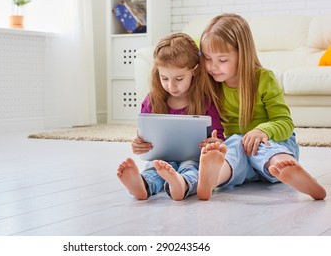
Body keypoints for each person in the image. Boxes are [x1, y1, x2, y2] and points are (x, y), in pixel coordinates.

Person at [196, 13, 327, 201]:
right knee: (230, 148)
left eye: (222, 60)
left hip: (274, 144)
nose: (213, 66)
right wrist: (212, 142)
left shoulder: (264, 79)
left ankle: (287, 168)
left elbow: (285, 123)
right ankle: (212, 179)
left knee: (261, 148)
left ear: (243, 54)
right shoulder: (211, 84)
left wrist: (262, 131)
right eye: (207, 58)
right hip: (241, 152)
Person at [117, 33, 224, 201]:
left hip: (193, 158)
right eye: (164, 78)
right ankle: (142, 185)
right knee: (154, 168)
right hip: (161, 158)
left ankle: (180, 184)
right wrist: (139, 145)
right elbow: (143, 136)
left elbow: (219, 139)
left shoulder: (206, 102)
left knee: (192, 169)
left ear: (194, 71)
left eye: (179, 79)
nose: (171, 86)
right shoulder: (152, 101)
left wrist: (215, 144)